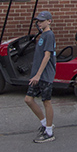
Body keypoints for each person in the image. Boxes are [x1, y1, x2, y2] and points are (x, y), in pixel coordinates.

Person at [24, 10, 57, 143]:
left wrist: (38, 75)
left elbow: (47, 55)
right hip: (37, 75)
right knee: (28, 99)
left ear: (49, 21)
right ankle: (45, 123)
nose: (39, 23)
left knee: (46, 101)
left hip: (44, 75)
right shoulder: (43, 35)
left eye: (42, 21)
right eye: (38, 21)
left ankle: (49, 131)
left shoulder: (49, 35)